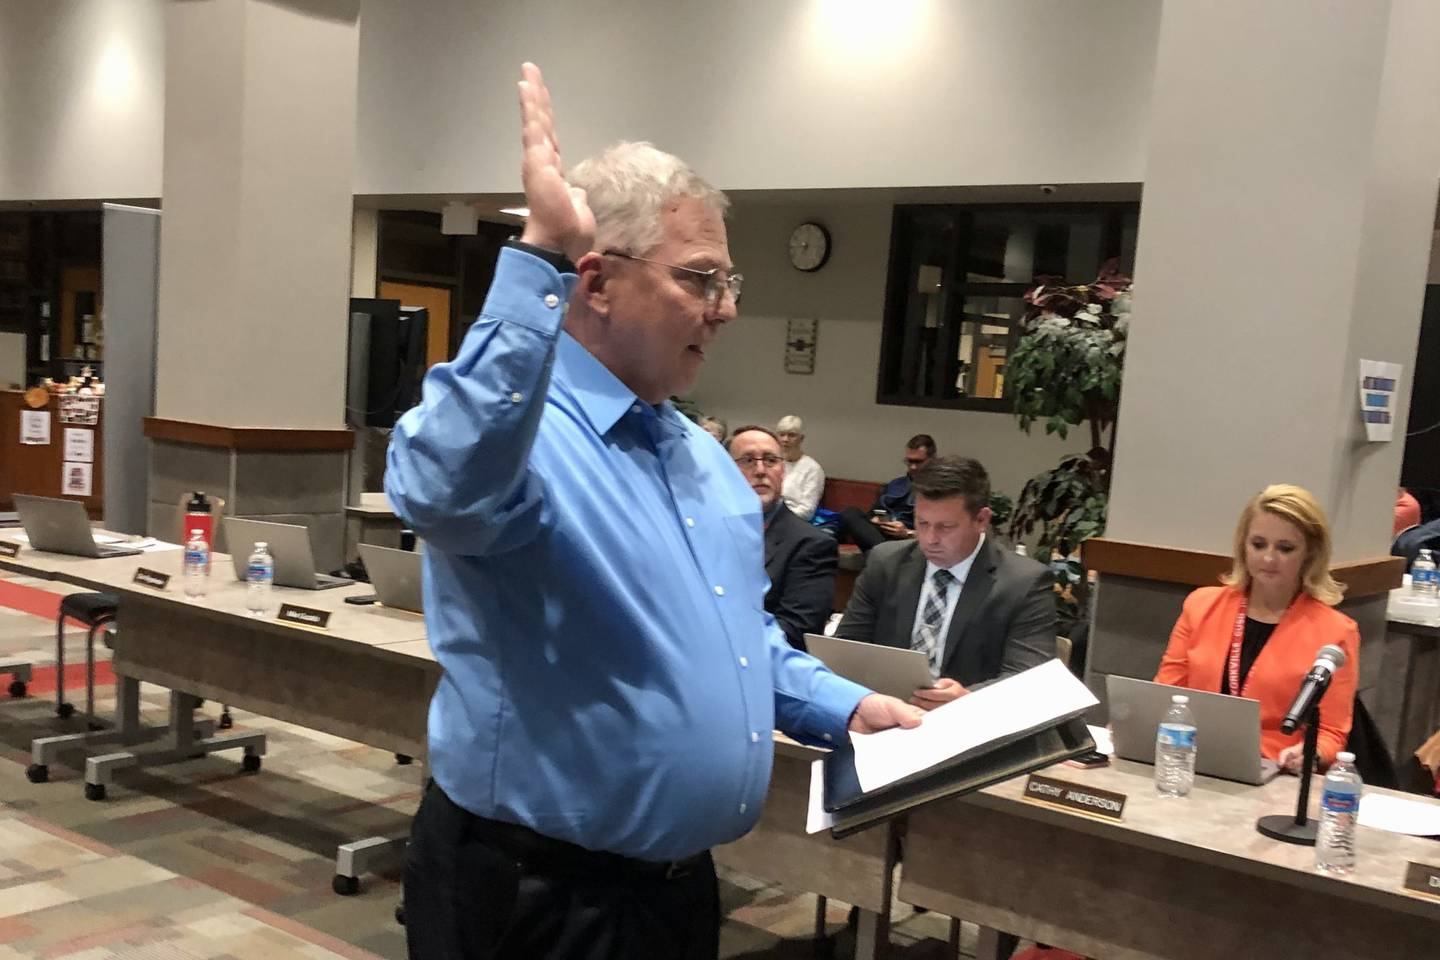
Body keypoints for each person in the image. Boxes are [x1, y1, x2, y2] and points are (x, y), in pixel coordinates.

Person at [385, 63, 922, 960]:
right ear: (594, 284)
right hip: (533, 894)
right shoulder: (524, 435)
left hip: (674, 892)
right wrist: (536, 260)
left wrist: (845, 707)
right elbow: (440, 485)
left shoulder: (704, 462)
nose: (728, 309)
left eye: (729, 280)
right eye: (702, 280)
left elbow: (735, 638)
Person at [1155, 484, 1359, 773]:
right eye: (1258, 544)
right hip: (1191, 759)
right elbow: (1165, 695)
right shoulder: (1201, 606)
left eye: (1285, 548)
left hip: (1273, 770)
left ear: (1310, 553)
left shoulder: (1336, 631)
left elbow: (1332, 733)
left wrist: (1310, 754)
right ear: (1243, 545)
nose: (1268, 558)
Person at [836, 455, 1056, 709]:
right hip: (886, 719)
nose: (930, 539)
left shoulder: (1025, 583)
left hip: (973, 730)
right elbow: (847, 651)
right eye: (922, 523)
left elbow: (1028, 682)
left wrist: (968, 701)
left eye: (946, 527)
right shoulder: (886, 563)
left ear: (982, 520)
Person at [728, 425, 838, 651]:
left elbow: (795, 632)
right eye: (748, 460)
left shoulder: (811, 545)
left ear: (782, 471)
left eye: (770, 460)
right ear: (725, 470)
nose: (760, 470)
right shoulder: (703, 530)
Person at [839, 433, 935, 551]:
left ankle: (882, 555)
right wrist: (876, 520)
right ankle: (883, 554)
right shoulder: (895, 484)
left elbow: (937, 533)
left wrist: (907, 533)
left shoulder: (939, 490)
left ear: (932, 460)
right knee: (850, 513)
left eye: (918, 462)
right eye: (909, 461)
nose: (913, 467)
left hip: (907, 539)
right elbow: (871, 514)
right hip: (881, 535)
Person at [776, 414, 824, 520]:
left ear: (801, 439)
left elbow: (807, 512)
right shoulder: (773, 462)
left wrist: (776, 518)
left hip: (793, 521)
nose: (785, 439)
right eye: (782, 434)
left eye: (791, 435)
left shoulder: (813, 469)